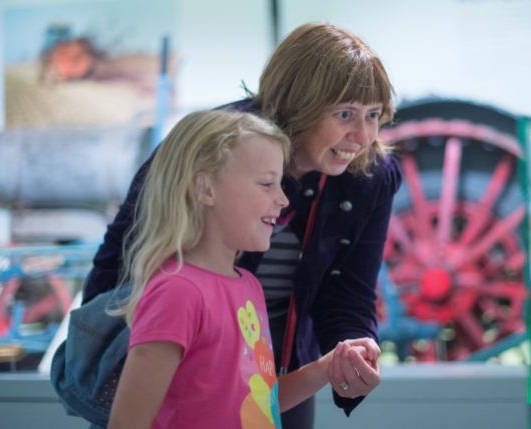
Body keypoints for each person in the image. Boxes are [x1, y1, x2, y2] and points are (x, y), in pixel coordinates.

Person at [83, 22, 401, 428]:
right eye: (344, 114)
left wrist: (347, 358)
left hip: (268, 362)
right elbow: (123, 254)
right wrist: (106, 364)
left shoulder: (368, 178)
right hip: (176, 353)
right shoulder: (214, 147)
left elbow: (347, 292)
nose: (361, 136)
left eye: (373, 115)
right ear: (301, 102)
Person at [107, 109, 374, 429]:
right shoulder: (176, 293)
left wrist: (324, 368)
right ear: (205, 188)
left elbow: (257, 402)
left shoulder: (248, 285)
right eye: (266, 184)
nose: (283, 200)